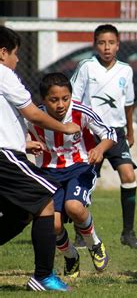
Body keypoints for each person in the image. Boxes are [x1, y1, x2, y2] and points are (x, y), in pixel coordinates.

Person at [0, 26, 80, 291]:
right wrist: (65, 127)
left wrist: (22, 141)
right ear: (3, 53)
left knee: (20, 214)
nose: (18, 60)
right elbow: (33, 113)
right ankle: (43, 276)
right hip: (4, 157)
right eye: (15, 54)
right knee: (46, 201)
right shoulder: (3, 73)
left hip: (9, 151)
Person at [27, 72, 117, 278]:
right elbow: (12, 139)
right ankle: (70, 256)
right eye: (54, 100)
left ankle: (94, 244)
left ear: (71, 96)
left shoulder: (81, 112)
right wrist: (28, 145)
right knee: (54, 224)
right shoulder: (34, 117)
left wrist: (100, 149)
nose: (61, 104)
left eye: (65, 98)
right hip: (49, 173)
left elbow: (109, 134)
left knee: (74, 207)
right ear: (44, 100)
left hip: (80, 167)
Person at [71, 24, 137, 249]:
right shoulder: (86, 67)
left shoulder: (125, 70)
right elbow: (73, 99)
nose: (106, 47)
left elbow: (128, 103)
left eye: (111, 43)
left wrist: (130, 131)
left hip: (117, 132)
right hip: (92, 133)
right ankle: (80, 233)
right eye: (102, 43)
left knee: (128, 175)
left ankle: (128, 233)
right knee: (85, 180)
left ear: (118, 45)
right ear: (95, 45)